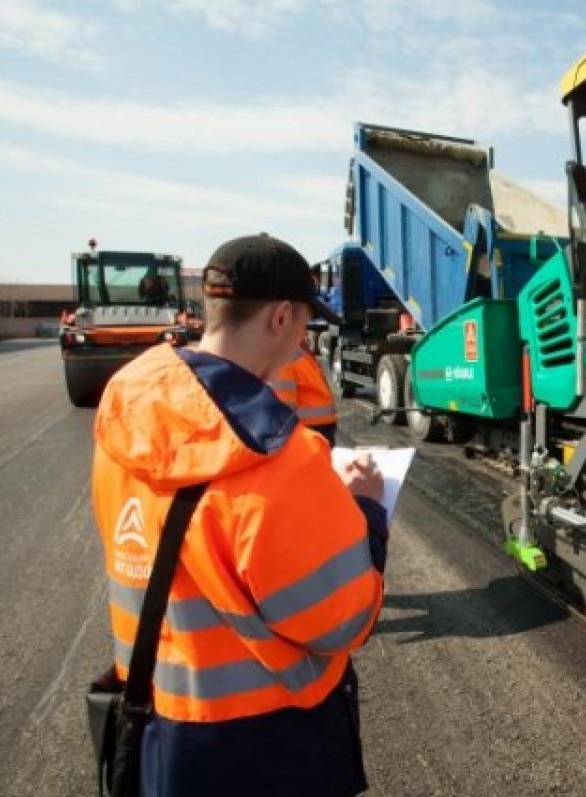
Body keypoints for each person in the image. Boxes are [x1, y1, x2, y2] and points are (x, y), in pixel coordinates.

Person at [92, 232, 388, 796]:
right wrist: (367, 511)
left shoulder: (126, 407)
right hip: (265, 746)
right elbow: (342, 619)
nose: (305, 339)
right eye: (304, 322)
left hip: (158, 723)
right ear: (280, 317)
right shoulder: (280, 457)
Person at [270, 342, 340, 445]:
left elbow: (285, 406)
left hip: (310, 427)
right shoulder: (297, 351)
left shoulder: (281, 355)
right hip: (322, 425)